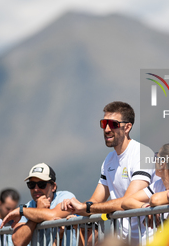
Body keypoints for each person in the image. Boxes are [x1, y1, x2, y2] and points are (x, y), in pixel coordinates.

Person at [61, 101, 157, 243]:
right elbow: (95, 201)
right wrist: (77, 210)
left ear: (127, 127)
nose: (106, 129)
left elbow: (128, 201)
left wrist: (86, 208)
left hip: (149, 240)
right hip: (122, 241)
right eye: (104, 123)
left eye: (113, 124)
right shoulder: (109, 159)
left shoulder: (142, 154)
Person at [0, 163, 76, 246]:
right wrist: (37, 211)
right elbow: (18, 242)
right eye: (31, 185)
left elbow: (53, 215)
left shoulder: (65, 197)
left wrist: (24, 211)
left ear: (53, 186)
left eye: (41, 184)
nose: (36, 189)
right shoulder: (28, 207)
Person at [121, 143, 169, 210]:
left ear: (162, 164)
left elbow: (154, 200)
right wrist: (144, 207)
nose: (154, 161)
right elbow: (126, 202)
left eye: (156, 157)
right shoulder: (159, 184)